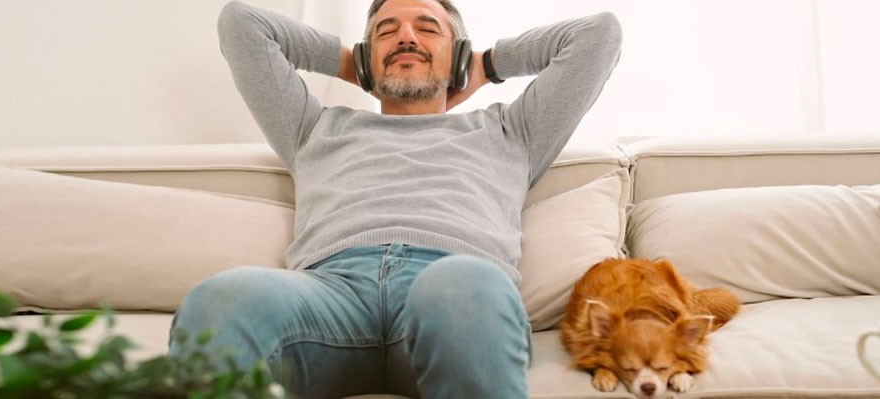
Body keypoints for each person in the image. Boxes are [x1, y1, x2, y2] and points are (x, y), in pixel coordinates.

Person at [170, 0, 621, 397]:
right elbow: (241, 22)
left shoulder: (511, 131)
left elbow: (598, 35)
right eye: (386, 32)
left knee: (460, 285)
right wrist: (350, 62)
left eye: (427, 29)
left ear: (458, 53)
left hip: (453, 292)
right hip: (330, 296)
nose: (405, 37)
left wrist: (486, 64)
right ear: (368, 56)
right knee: (220, 300)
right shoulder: (312, 129)